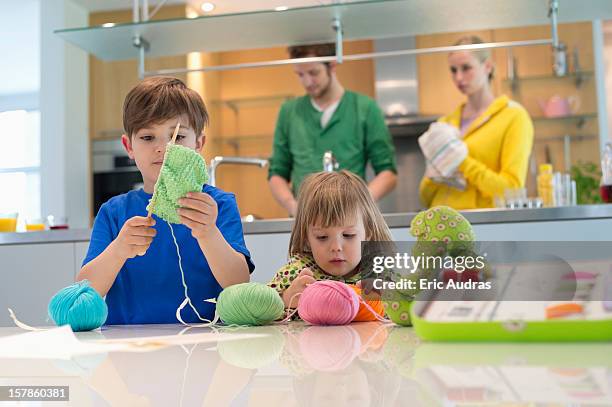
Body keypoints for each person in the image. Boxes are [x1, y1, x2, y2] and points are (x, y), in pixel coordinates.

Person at [77, 77, 254, 325]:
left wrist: (208, 233)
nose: (163, 148)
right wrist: (118, 250)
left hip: (207, 343)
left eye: (177, 137)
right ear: (129, 146)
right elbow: (84, 293)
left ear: (198, 144)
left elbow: (239, 284)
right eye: (148, 138)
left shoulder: (218, 205)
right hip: (128, 347)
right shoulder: (114, 212)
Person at [268, 43, 398, 217]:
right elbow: (277, 173)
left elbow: (387, 173)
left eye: (314, 73)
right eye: (300, 74)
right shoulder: (289, 112)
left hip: (351, 220)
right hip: (305, 220)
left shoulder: (365, 108)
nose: (307, 82)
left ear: (332, 65)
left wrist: (357, 205)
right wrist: (293, 206)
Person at [419, 36, 534, 209]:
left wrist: (459, 161)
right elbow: (424, 195)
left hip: (482, 224)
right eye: (453, 70)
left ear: (487, 66)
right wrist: (433, 176)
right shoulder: (445, 123)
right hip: (439, 223)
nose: (458, 77)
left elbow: (511, 189)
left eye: (466, 68)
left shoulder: (513, 117)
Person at [268, 170, 392, 308]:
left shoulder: (380, 271)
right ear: (306, 238)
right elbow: (258, 307)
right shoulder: (296, 274)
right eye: (322, 237)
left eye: (348, 235)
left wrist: (387, 301)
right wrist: (285, 299)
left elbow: (409, 309)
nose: (336, 247)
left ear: (368, 232)